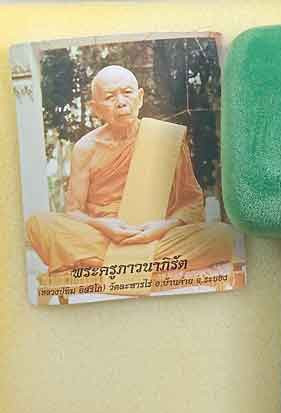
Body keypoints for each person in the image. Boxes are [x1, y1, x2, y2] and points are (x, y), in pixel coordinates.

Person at [26, 65, 234, 273]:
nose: (121, 103)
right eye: (109, 97)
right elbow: (74, 211)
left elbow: (190, 202)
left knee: (221, 235)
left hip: (156, 235)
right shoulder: (86, 148)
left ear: (140, 97)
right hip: (104, 237)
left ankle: (109, 266)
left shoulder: (165, 138)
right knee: (39, 224)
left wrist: (163, 226)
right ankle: (149, 265)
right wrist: (103, 225)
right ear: (96, 108)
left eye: (127, 93)